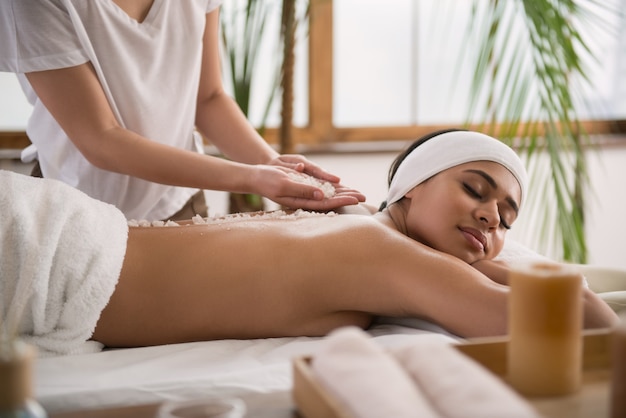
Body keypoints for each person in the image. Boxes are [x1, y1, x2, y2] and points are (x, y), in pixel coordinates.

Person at [0, 130, 618, 356]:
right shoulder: (391, 254)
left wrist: (494, 257)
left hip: (53, 234)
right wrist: (525, 272)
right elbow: (575, 329)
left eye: (507, 220)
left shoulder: (363, 234)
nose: (491, 220)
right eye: (475, 189)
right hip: (51, 254)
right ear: (407, 188)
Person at [0, 0, 364, 221]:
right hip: (79, 211)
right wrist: (252, 178)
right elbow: (101, 139)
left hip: (181, 200)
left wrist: (272, 166)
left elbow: (208, 99)